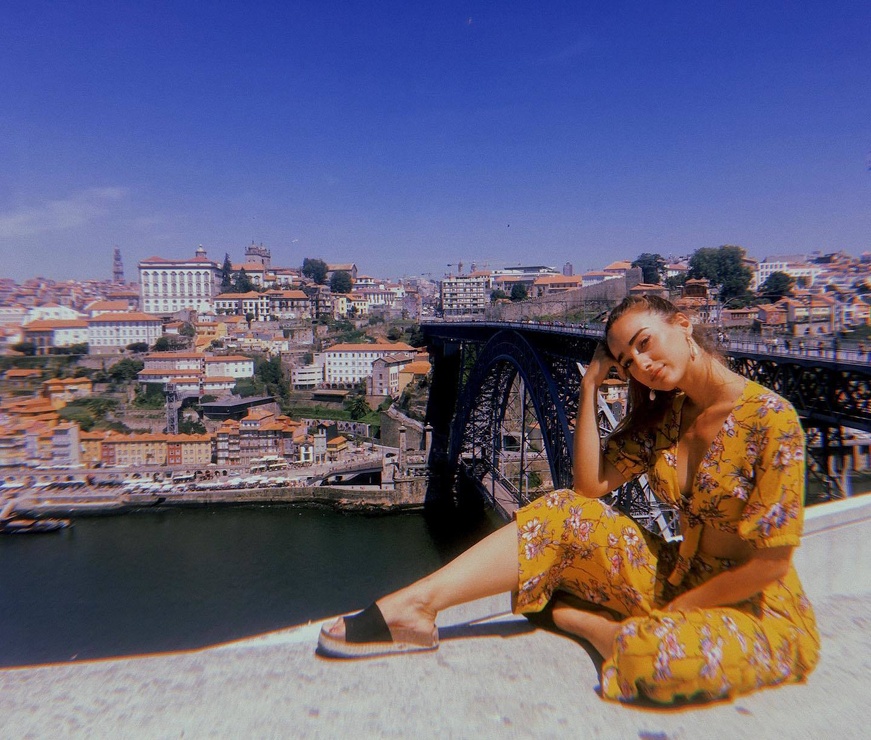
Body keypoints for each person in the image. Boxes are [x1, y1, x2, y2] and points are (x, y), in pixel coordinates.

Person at [318, 295, 819, 705]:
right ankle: (415, 606)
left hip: (756, 611)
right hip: (677, 576)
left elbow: (771, 565)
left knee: (657, 657)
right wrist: (589, 386)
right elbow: (588, 487)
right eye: (627, 362)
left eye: (645, 343)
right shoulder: (670, 416)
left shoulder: (771, 418)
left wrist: (676, 614)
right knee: (559, 513)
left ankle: (582, 622)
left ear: (682, 324)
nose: (642, 365)